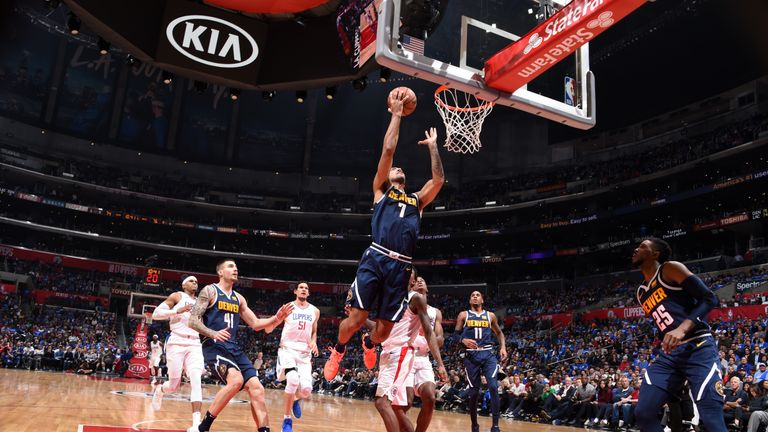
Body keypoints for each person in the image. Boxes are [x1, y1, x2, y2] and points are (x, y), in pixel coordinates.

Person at [324, 89, 445, 381]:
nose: (398, 168)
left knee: (384, 330)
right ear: (388, 177)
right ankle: (338, 350)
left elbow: (439, 179)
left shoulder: (418, 201)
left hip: (401, 266)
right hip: (376, 257)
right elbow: (389, 151)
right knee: (356, 319)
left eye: (401, 170)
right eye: (394, 170)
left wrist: (432, 146)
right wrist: (396, 114)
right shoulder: (381, 191)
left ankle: (368, 344)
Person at [630, 238, 726, 432]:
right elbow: (665, 322)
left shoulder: (669, 269)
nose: (636, 249)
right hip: (671, 356)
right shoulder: (641, 292)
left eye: (642, 247)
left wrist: (682, 329)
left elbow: (709, 298)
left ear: (655, 254)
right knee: (643, 413)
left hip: (698, 347)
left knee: (710, 417)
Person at [188, 259, 293, 432]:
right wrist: (213, 333)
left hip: (233, 348)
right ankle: (203, 427)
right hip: (213, 346)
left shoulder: (239, 298)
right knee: (236, 381)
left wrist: (277, 318)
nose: (235, 269)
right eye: (230, 266)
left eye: (236, 267)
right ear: (220, 272)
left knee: (257, 388)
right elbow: (192, 321)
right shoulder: (210, 291)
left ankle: (264, 430)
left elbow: (256, 323)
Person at [368, 269, 448, 432]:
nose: (403, 271)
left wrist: (440, 364)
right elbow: (381, 330)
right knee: (397, 406)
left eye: (410, 273)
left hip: (410, 354)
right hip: (390, 352)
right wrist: (360, 320)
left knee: (426, 398)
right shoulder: (391, 300)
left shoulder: (425, 306)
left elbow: (434, 336)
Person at [150, 276, 205, 430]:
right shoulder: (177, 296)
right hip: (176, 341)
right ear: (183, 284)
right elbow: (155, 314)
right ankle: (160, 390)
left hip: (194, 342)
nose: (195, 282)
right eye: (191, 281)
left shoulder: (202, 302)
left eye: (196, 281)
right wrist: (176, 310)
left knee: (196, 379)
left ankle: (196, 425)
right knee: (174, 385)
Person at [264, 282, 320, 432]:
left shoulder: (315, 311)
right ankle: (287, 420)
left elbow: (314, 332)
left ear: (308, 293)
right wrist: (278, 316)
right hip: (288, 349)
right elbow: (269, 329)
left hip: (304, 354)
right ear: (295, 291)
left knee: (307, 390)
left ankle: (295, 399)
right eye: (301, 287)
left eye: (306, 288)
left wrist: (314, 342)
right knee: (293, 379)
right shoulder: (287, 307)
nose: (304, 290)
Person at [454, 291, 508, 432]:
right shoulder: (463, 315)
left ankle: (495, 426)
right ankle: (474, 425)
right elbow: (455, 334)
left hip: (488, 354)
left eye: (478, 295)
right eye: (472, 295)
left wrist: (503, 347)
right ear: (470, 300)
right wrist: (462, 340)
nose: (475, 296)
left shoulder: (490, 316)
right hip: (471, 356)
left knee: (494, 387)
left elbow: (499, 333)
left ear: (482, 300)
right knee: (474, 392)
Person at [403, 275, 445, 432]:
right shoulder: (407, 306)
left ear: (427, 288)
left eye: (423, 280)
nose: (420, 281)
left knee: (430, 398)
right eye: (416, 280)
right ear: (412, 288)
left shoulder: (435, 312)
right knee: (406, 402)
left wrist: (428, 334)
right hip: (406, 355)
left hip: (423, 357)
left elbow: (440, 340)